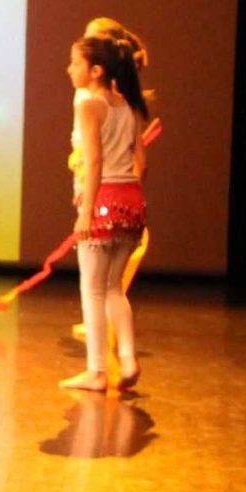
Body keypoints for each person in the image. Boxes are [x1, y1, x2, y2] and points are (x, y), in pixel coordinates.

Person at [63, 31, 151, 393]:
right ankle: (127, 359)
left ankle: (97, 371)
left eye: (75, 63)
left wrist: (87, 208)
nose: (70, 70)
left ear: (96, 70)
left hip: (104, 200)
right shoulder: (128, 105)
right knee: (114, 288)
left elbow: (95, 161)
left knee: (93, 289)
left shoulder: (89, 106)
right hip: (131, 201)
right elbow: (141, 161)